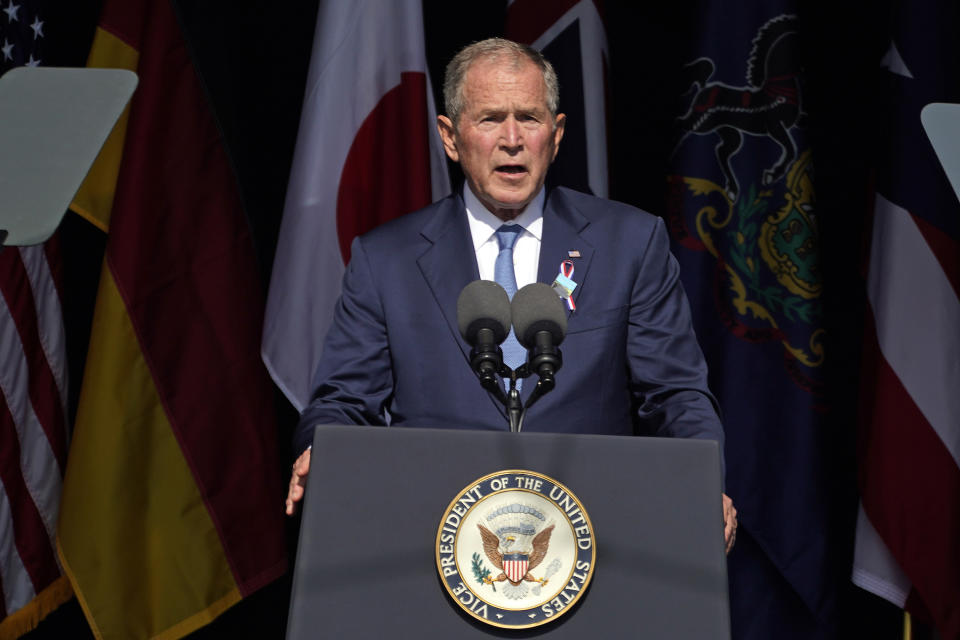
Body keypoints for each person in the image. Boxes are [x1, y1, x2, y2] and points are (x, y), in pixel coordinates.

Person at [285, 38, 737, 552]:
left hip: (595, 539)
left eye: (529, 117)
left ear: (557, 134)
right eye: (490, 119)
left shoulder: (630, 243)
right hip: (431, 540)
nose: (512, 139)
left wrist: (703, 478)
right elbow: (342, 403)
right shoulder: (385, 260)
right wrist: (322, 449)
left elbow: (677, 395)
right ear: (450, 137)